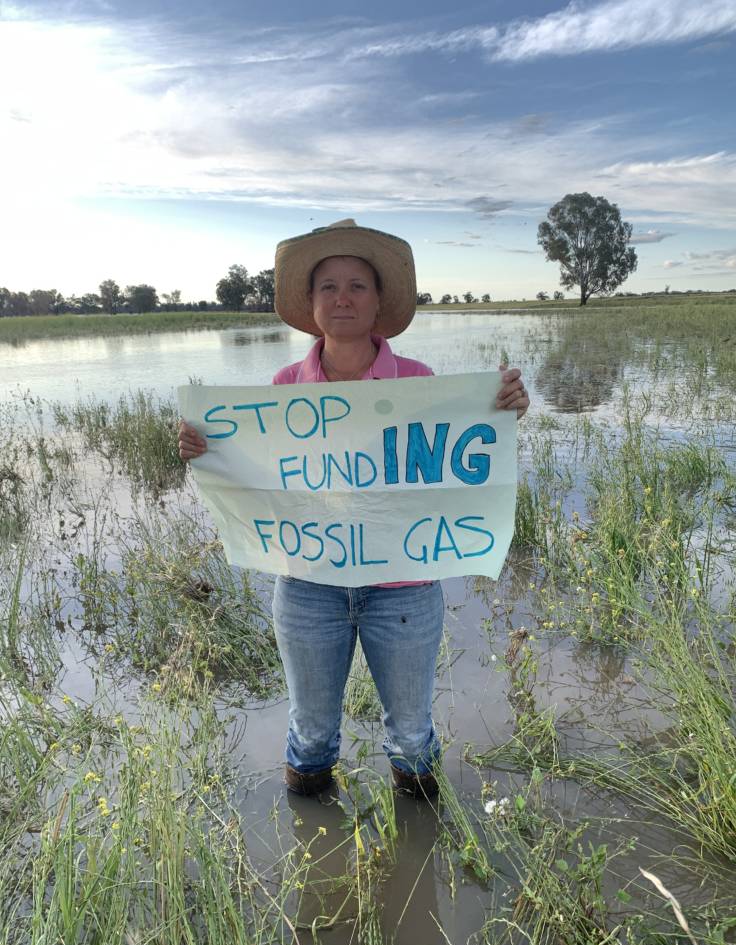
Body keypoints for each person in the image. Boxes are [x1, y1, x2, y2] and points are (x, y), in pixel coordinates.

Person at [178, 219, 530, 798]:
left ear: (378, 301)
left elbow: (453, 456)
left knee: (412, 734)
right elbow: (259, 467)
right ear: (312, 304)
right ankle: (313, 817)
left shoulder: (419, 381)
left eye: (357, 285)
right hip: (309, 584)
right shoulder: (283, 387)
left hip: (403, 589)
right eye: (329, 287)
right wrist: (205, 448)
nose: (342, 298)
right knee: (311, 733)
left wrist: (502, 409)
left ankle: (418, 831)